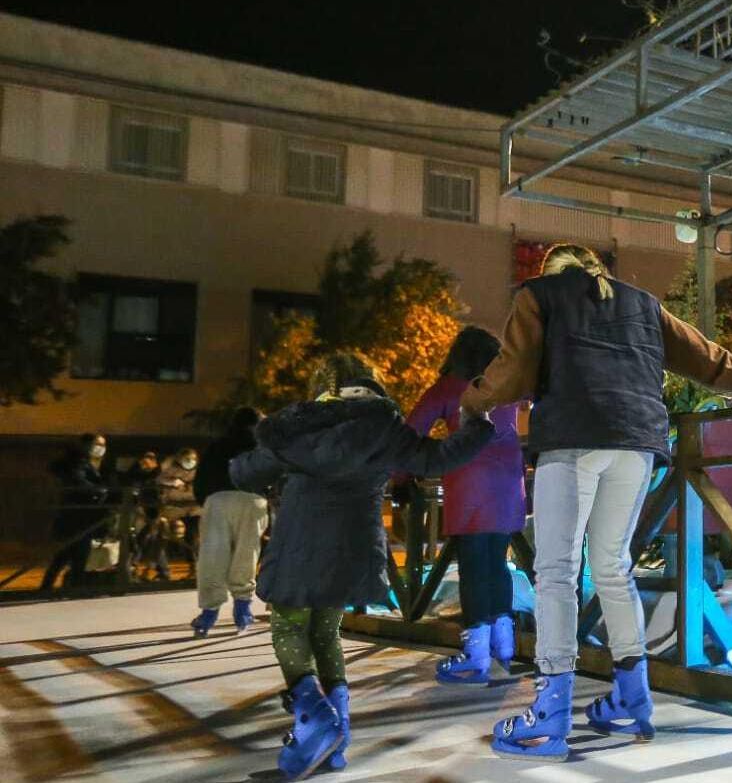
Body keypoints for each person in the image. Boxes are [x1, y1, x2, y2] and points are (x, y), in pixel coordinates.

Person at [462, 243, 732, 762]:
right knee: (614, 569)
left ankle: (550, 712)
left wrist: (474, 401)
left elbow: (511, 373)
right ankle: (631, 693)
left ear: (552, 273)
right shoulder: (642, 304)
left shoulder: (540, 296)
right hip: (638, 443)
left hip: (574, 437)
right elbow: (706, 357)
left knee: (555, 570)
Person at [230, 353, 494, 780]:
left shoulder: (298, 427)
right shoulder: (384, 428)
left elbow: (247, 473)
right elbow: (436, 458)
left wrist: (239, 458)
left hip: (300, 546)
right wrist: (480, 424)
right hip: (352, 549)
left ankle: (316, 721)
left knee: (289, 628)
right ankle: (339, 735)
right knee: (326, 631)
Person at [404, 326, 529, 684]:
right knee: (497, 563)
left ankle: (475, 655)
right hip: (508, 486)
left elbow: (412, 431)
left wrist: (401, 475)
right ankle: (504, 646)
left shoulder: (448, 387)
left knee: (474, 567)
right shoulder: (506, 387)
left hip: (468, 485)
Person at [190, 408, 269, 637]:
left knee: (213, 555)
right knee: (247, 553)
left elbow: (202, 477)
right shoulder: (263, 446)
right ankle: (243, 609)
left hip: (219, 499)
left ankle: (209, 612)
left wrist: (204, 499)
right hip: (254, 500)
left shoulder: (218, 445)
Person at [40, 433, 112, 591]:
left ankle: (50, 588)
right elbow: (78, 482)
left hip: (83, 517)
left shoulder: (90, 463)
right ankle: (71, 589)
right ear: (87, 445)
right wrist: (98, 491)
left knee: (66, 556)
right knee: (76, 556)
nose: (101, 448)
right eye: (98, 444)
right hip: (76, 517)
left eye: (103, 445)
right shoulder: (77, 462)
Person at [128, 450, 170, 581]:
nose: (148, 461)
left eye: (152, 458)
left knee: (149, 538)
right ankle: (160, 570)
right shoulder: (135, 473)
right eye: (146, 457)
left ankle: (135, 567)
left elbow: (160, 493)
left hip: (153, 512)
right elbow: (131, 485)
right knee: (142, 539)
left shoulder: (158, 474)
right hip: (137, 511)